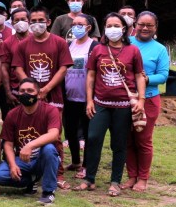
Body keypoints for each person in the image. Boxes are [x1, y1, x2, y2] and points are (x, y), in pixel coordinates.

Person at [77, 13, 146, 197]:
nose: (112, 29)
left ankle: (115, 181)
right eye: (109, 25)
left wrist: (141, 100)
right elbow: (91, 75)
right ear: (104, 28)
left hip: (123, 106)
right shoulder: (98, 50)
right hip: (100, 104)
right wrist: (90, 100)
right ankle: (89, 179)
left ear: (123, 29)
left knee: (119, 144)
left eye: (116, 25)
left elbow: (139, 76)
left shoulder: (133, 51)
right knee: (93, 138)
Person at [0, 78, 62, 205]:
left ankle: (48, 192)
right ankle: (32, 180)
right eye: (22, 91)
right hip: (23, 160)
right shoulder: (12, 114)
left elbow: (54, 134)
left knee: (49, 149)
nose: (26, 94)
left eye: (30, 91)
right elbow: (8, 143)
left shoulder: (50, 110)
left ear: (39, 93)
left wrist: (30, 145)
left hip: (43, 158)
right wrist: (13, 165)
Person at [126, 11, 169, 192]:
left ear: (155, 28)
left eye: (149, 25)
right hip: (126, 99)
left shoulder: (159, 49)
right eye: (141, 24)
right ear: (135, 25)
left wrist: (147, 79)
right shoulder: (126, 43)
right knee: (127, 139)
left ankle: (143, 178)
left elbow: (164, 75)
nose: (145, 28)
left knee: (143, 139)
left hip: (149, 99)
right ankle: (131, 176)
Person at [11, 5, 72, 111]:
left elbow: (63, 69)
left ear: (48, 22)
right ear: (29, 23)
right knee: (31, 125)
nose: (37, 23)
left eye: (40, 20)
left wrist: (46, 89)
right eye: (33, 21)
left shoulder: (60, 42)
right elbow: (18, 69)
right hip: (29, 95)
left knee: (53, 125)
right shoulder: (22, 45)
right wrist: (32, 88)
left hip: (53, 93)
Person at [63, 14, 98, 176]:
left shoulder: (94, 46)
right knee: (70, 131)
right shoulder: (69, 45)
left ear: (88, 27)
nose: (76, 26)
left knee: (88, 132)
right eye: (74, 24)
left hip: (87, 98)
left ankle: (86, 165)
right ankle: (76, 161)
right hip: (70, 96)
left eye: (80, 24)